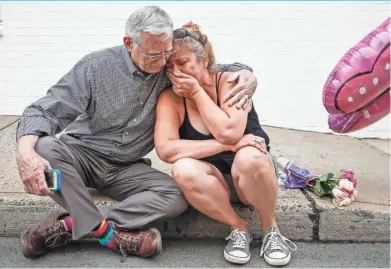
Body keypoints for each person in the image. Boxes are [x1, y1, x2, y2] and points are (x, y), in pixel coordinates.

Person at [15, 6, 259, 261]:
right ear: (129, 43)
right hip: (81, 157)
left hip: (126, 168)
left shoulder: (169, 69)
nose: (164, 61)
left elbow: (211, 67)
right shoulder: (95, 67)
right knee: (43, 147)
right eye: (155, 54)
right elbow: (43, 111)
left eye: (167, 52)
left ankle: (71, 224)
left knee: (176, 195)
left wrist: (247, 74)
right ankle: (112, 236)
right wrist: (24, 152)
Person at [154, 22, 297, 267]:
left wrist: (197, 92)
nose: (176, 71)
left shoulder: (232, 82)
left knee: (250, 157)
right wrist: (225, 146)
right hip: (211, 184)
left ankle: (271, 229)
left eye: (183, 62)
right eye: (170, 66)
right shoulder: (170, 98)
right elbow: (167, 150)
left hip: (252, 180)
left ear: (203, 58)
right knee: (182, 169)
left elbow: (229, 132)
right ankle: (239, 228)